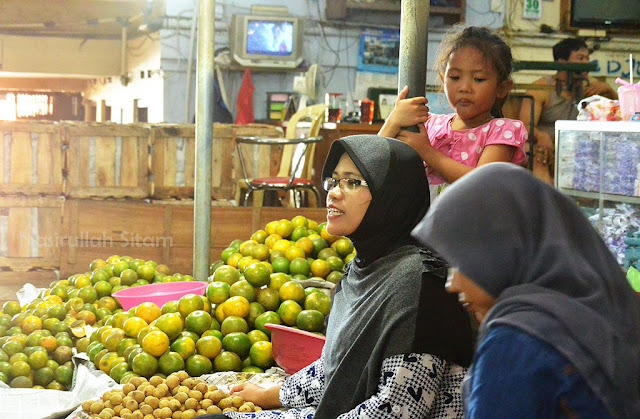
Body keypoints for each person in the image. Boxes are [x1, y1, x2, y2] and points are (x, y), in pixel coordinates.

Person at [203, 135, 473, 419]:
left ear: (391, 195)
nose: (333, 192)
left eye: (353, 182)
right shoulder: (362, 268)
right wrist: (274, 395)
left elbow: (398, 409)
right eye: (333, 181)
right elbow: (338, 369)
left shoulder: (422, 283)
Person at [411, 162, 640, 418]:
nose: (452, 284)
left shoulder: (517, 339)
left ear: (503, 252)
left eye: (460, 263)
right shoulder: (603, 309)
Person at [378, 26, 527, 201]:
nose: (464, 88)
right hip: (423, 226)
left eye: (478, 79)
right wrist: (394, 120)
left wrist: (428, 152)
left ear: (502, 88)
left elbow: (482, 185)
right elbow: (373, 164)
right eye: (455, 77)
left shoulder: (502, 132)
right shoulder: (429, 125)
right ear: (443, 80)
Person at [518, 37, 617, 184]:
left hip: (576, 147)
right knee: (540, 156)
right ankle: (544, 200)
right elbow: (524, 125)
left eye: (587, 58)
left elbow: (616, 109)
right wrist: (541, 136)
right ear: (562, 63)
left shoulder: (590, 86)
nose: (586, 63)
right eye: (580, 58)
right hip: (545, 147)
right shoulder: (540, 88)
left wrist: (608, 89)